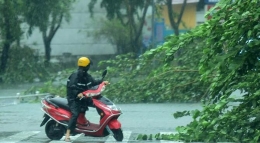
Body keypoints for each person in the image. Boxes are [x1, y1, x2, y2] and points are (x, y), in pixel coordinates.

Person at [65, 57, 109, 142]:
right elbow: (71, 87)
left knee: (98, 104)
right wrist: (78, 93)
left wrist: (102, 82)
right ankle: (67, 134)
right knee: (75, 114)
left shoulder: (87, 76)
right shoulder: (75, 76)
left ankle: (102, 125)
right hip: (74, 99)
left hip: (84, 97)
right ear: (86, 66)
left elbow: (94, 82)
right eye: (89, 65)